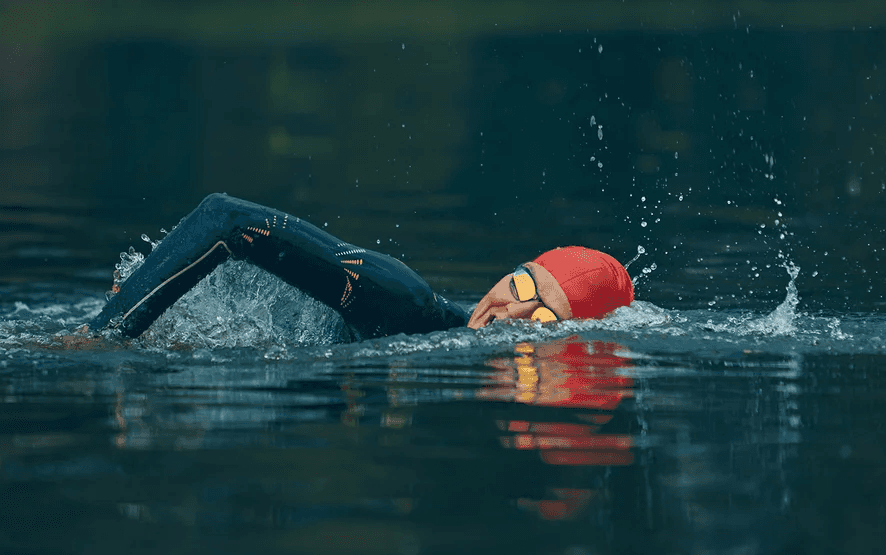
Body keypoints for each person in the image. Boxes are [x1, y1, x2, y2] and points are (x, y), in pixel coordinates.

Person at [86, 193, 634, 340]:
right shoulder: (403, 302)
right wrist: (103, 336)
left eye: (542, 321)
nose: (511, 312)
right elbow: (224, 218)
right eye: (520, 284)